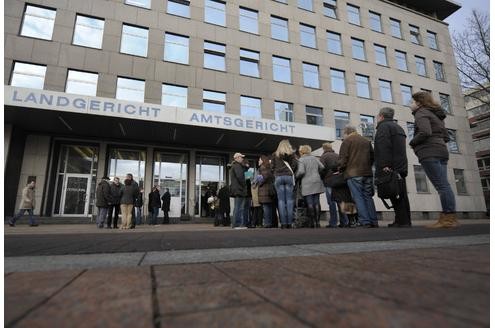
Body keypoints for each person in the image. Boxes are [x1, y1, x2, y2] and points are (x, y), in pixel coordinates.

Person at [409, 91, 458, 228]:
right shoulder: (435, 115)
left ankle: (448, 219)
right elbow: (446, 137)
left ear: (419, 103)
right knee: (444, 185)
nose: (410, 104)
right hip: (441, 151)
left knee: (442, 186)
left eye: (412, 102)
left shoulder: (421, 113)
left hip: (429, 152)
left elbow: (425, 132)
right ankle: (449, 218)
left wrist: (412, 142)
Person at [375, 107, 411, 228]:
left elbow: (383, 147)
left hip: (390, 167)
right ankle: (404, 220)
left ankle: (402, 221)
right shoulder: (398, 127)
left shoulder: (383, 127)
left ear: (381, 116)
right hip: (400, 166)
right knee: (401, 194)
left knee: (394, 194)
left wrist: (385, 165)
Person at [339, 125, 378, 228]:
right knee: (368, 197)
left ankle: (365, 221)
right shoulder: (366, 141)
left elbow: (343, 159)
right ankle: (374, 221)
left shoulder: (347, 141)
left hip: (353, 174)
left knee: (358, 197)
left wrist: (340, 169)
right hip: (367, 173)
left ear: (346, 132)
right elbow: (372, 157)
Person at [320, 142, 349, 228]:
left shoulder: (324, 157)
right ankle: (345, 221)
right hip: (339, 181)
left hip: (329, 181)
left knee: (331, 202)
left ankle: (333, 222)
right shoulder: (337, 155)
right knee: (341, 201)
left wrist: (322, 178)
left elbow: (321, 169)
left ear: (323, 148)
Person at [296, 145, 325, 228]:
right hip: (316, 181)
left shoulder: (301, 160)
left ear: (302, 151)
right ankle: (318, 222)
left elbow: (301, 171)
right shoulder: (315, 158)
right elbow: (322, 167)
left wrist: (296, 176)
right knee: (316, 202)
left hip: (307, 182)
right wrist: (316, 172)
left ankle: (312, 222)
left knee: (310, 203)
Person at [271, 139, 298, 229]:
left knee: (281, 201)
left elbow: (272, 167)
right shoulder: (292, 154)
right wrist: (290, 172)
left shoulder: (275, 154)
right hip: (288, 177)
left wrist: (276, 173)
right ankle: (289, 223)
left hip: (278, 177)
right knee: (289, 200)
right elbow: (295, 165)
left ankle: (283, 223)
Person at [229, 152, 248, 229]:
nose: (242, 158)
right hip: (239, 189)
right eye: (241, 157)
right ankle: (237, 224)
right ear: (236, 158)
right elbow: (240, 177)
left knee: (238, 207)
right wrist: (244, 184)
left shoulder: (236, 166)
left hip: (237, 189)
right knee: (239, 207)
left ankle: (236, 224)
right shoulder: (237, 165)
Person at [257, 155, 275, 228]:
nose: (258, 161)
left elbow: (263, 178)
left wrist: (258, 180)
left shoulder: (263, 168)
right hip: (269, 190)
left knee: (266, 207)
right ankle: (270, 222)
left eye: (259, 160)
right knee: (269, 207)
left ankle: (268, 223)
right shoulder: (269, 168)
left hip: (264, 191)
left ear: (262, 160)